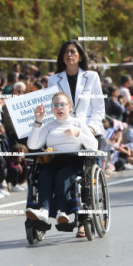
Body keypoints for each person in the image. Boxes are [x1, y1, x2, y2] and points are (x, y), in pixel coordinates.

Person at [47, 39, 105, 237]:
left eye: (73, 51)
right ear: (62, 57)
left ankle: (84, 219)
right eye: (66, 52)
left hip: (89, 132)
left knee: (87, 176)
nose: (69, 55)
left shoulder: (91, 77)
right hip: (65, 135)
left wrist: (88, 129)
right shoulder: (54, 80)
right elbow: (52, 108)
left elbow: (98, 108)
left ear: (80, 56)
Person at [26, 92, 98, 225]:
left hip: (73, 160)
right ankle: (44, 210)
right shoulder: (48, 125)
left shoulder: (78, 123)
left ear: (69, 107)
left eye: (62, 105)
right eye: (55, 105)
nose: (59, 108)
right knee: (44, 176)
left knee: (63, 176)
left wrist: (78, 134)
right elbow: (32, 144)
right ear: (52, 109)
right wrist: (38, 121)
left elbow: (94, 146)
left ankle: (62, 211)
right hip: (53, 160)